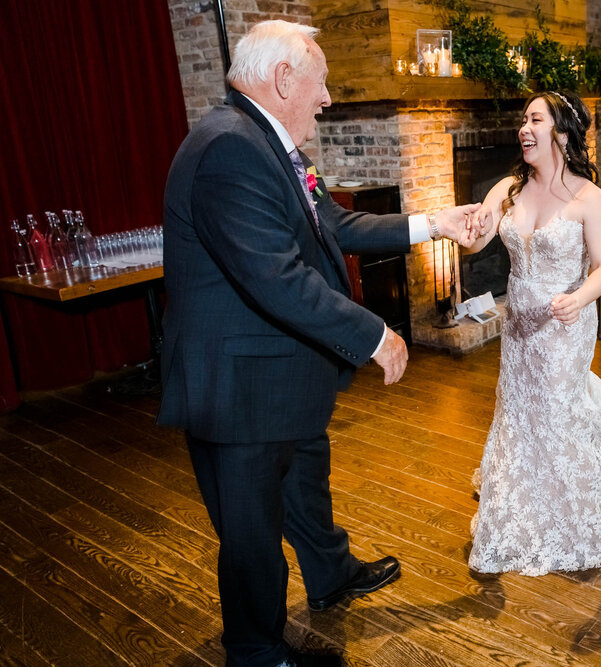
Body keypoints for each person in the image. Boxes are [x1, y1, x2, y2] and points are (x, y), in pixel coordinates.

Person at [157, 20, 482, 666]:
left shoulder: (269, 143)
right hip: (241, 387)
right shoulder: (229, 148)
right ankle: (256, 647)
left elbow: (333, 223)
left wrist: (433, 223)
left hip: (281, 372)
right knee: (251, 530)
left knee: (307, 474)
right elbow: (275, 276)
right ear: (282, 79)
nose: (327, 97)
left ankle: (330, 574)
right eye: (321, 81)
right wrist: (372, 334)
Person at [458, 91, 601, 576]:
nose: (523, 127)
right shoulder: (508, 189)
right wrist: (463, 229)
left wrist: (579, 299)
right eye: (522, 119)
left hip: (566, 324)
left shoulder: (591, 199)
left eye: (534, 119)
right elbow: (477, 238)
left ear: (561, 132)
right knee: (520, 407)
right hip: (519, 326)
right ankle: (527, 494)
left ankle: (590, 498)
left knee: (562, 406)